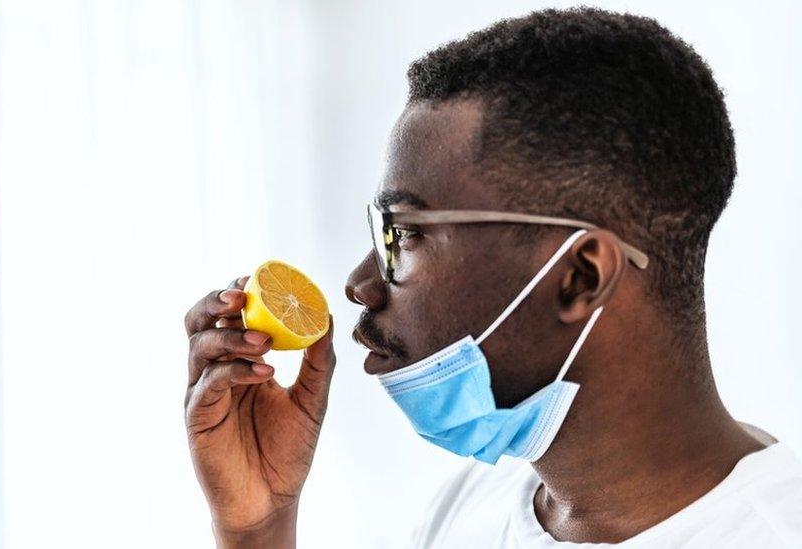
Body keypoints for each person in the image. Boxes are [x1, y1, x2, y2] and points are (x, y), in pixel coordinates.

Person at [182, 7, 802, 548]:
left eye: (405, 234)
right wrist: (257, 530)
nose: (360, 283)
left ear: (579, 276)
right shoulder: (469, 509)